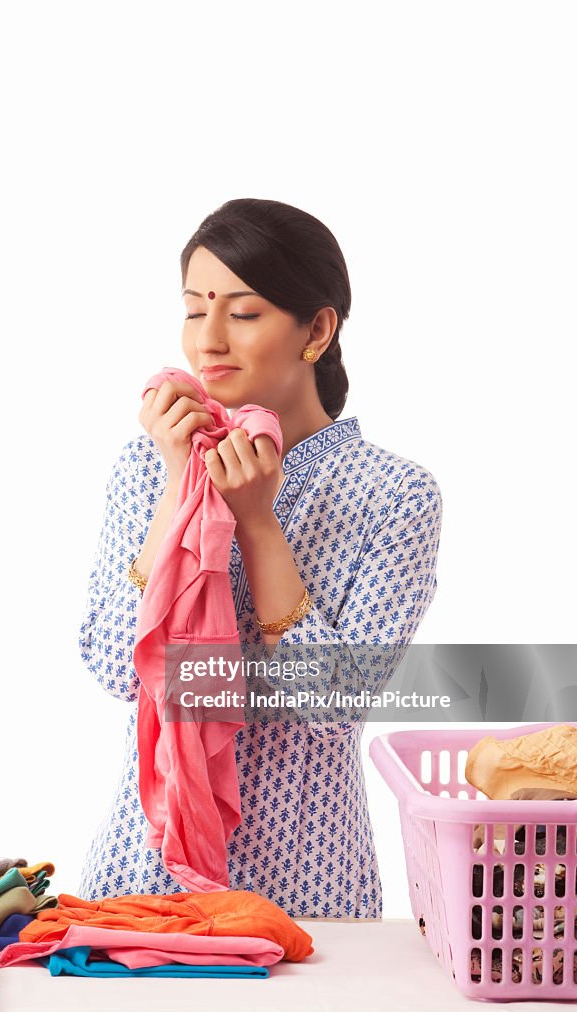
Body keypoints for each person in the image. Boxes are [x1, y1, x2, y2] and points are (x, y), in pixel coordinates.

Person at [76, 198, 442, 917]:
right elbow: (120, 668)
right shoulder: (150, 464)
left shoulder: (396, 495)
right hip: (141, 880)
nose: (207, 341)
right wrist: (178, 483)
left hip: (305, 885)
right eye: (193, 310)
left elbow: (333, 703)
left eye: (242, 313)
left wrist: (258, 524)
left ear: (317, 329)